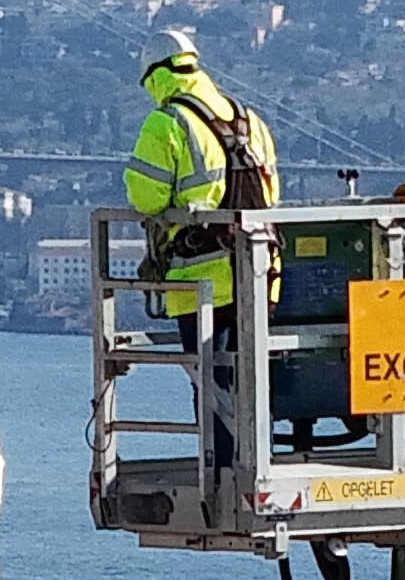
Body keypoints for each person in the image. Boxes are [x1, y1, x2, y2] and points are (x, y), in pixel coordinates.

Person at [124, 33, 289, 460]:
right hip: (260, 272)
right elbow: (272, 193)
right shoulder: (249, 118)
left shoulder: (167, 123)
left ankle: (221, 469)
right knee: (247, 379)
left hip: (201, 280)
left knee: (210, 381)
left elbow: (147, 198)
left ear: (156, 76)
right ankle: (254, 459)